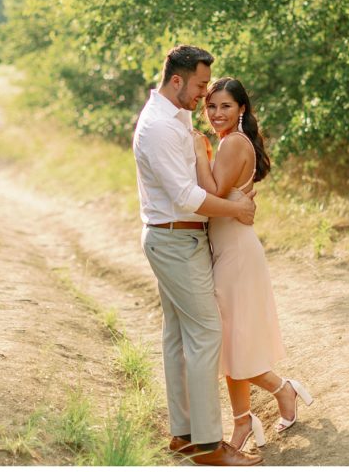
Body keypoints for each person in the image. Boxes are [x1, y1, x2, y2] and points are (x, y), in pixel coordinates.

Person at [133, 46, 263, 466]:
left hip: (176, 238)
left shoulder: (177, 117)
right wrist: (238, 209)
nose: (204, 96)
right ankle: (208, 446)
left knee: (178, 339)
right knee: (207, 333)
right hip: (175, 239)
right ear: (177, 81)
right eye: (201, 86)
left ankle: (184, 436)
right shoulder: (159, 127)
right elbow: (188, 197)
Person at [192, 77, 314, 452]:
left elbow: (209, 192)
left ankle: (283, 390)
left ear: (241, 109)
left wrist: (198, 149)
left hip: (238, 257)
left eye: (225, 106)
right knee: (231, 345)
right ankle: (246, 420)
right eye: (211, 106)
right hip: (228, 251)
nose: (216, 114)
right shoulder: (230, 143)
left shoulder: (232, 143)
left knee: (233, 345)